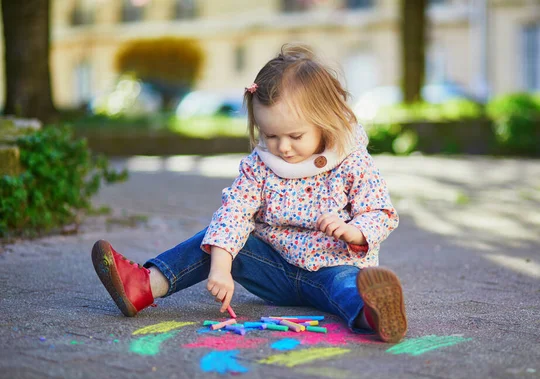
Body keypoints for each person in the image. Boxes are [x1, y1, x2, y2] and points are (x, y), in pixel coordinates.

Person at [91, 44, 407, 343]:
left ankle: (373, 315)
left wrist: (354, 232)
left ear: (325, 122)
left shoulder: (351, 161)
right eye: (270, 135)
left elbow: (381, 212)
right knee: (215, 238)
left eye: (295, 136)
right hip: (274, 271)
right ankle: (144, 285)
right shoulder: (259, 165)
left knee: (347, 287)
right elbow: (235, 214)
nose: (283, 147)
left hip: (332, 268)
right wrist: (221, 268)